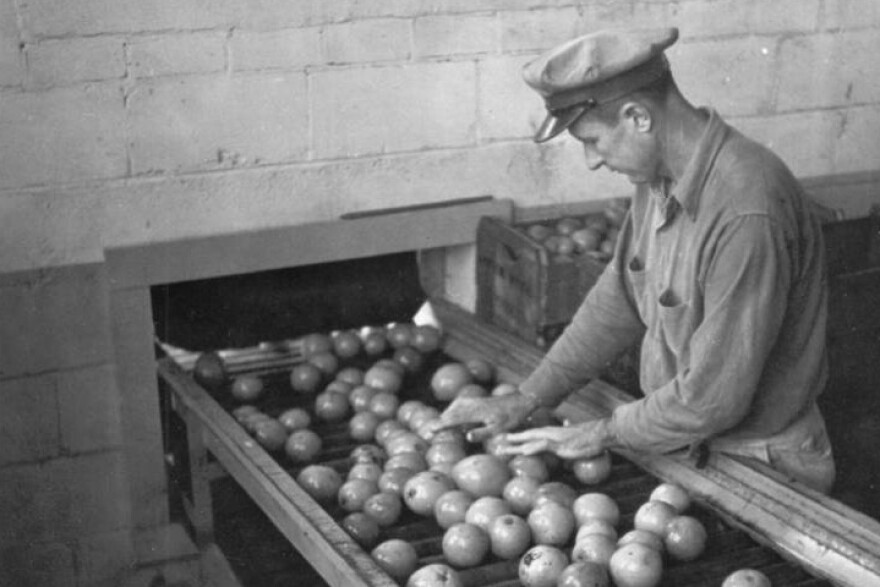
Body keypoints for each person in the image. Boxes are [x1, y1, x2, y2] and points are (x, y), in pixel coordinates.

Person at [427, 27, 836, 494]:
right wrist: (528, 396)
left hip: (763, 462)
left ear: (638, 116)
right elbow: (618, 299)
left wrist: (603, 432)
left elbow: (712, 400)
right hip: (685, 441)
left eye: (593, 140)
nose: (591, 161)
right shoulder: (659, 178)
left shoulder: (747, 209)